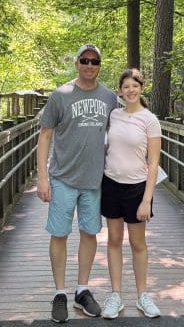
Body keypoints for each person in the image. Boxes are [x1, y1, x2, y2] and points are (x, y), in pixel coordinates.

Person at [36, 43, 120, 323]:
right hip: (62, 178)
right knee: (59, 234)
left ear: (99, 66)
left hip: (94, 181)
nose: (89, 65)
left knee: (89, 233)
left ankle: (82, 290)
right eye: (84, 60)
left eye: (94, 61)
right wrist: (42, 178)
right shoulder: (60, 96)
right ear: (76, 64)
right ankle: (60, 292)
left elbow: (120, 131)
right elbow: (45, 136)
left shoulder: (109, 97)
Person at [100, 68, 162, 319]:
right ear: (120, 91)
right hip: (111, 184)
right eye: (126, 87)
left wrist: (147, 199)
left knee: (138, 243)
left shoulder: (149, 119)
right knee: (114, 241)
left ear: (141, 89)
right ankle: (116, 295)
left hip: (137, 188)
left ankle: (142, 296)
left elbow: (154, 163)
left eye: (134, 86)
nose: (130, 90)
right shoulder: (113, 115)